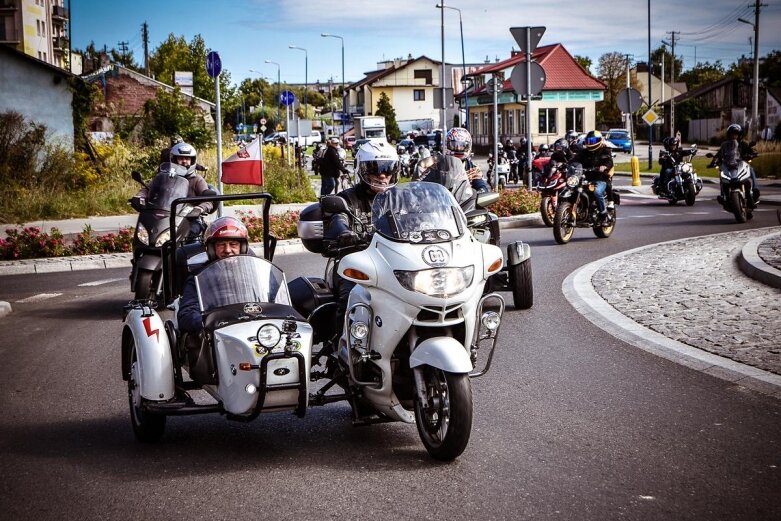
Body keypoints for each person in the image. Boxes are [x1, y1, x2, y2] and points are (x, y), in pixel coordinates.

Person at [324, 141, 400, 339]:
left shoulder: (401, 199)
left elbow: (420, 220)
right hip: (357, 264)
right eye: (375, 170)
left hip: (394, 263)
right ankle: (343, 348)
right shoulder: (348, 199)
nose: (382, 175)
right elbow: (337, 219)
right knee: (350, 296)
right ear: (363, 170)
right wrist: (343, 232)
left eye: (387, 169)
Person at [177, 216, 249, 334]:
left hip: (254, 329)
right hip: (219, 333)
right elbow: (186, 315)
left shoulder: (251, 272)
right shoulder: (198, 278)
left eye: (233, 244)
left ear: (242, 247)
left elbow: (274, 299)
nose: (227, 250)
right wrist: (209, 322)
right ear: (211, 249)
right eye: (221, 244)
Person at [133, 142, 215, 232]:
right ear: (174, 159)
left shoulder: (197, 179)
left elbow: (208, 199)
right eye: (181, 158)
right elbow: (147, 189)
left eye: (187, 158)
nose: (184, 161)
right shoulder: (165, 177)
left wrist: (199, 209)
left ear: (193, 160)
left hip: (189, 218)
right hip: (165, 215)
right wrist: (139, 197)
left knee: (192, 232)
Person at [711, 123, 760, 200]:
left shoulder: (743, 144)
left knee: (750, 169)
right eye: (732, 134)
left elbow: (750, 150)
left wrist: (753, 153)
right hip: (728, 165)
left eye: (735, 134)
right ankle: (723, 195)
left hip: (740, 164)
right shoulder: (725, 145)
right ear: (728, 135)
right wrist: (714, 160)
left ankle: (755, 188)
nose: (733, 136)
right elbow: (719, 154)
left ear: (739, 135)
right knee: (721, 173)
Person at [574, 130, 614, 225]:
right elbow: (574, 159)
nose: (590, 143)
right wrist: (567, 164)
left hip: (600, 178)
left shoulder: (605, 150)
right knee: (572, 189)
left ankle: (603, 215)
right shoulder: (584, 152)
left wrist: (604, 166)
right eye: (588, 141)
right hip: (585, 178)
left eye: (593, 141)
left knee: (596, 192)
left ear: (599, 140)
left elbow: (609, 161)